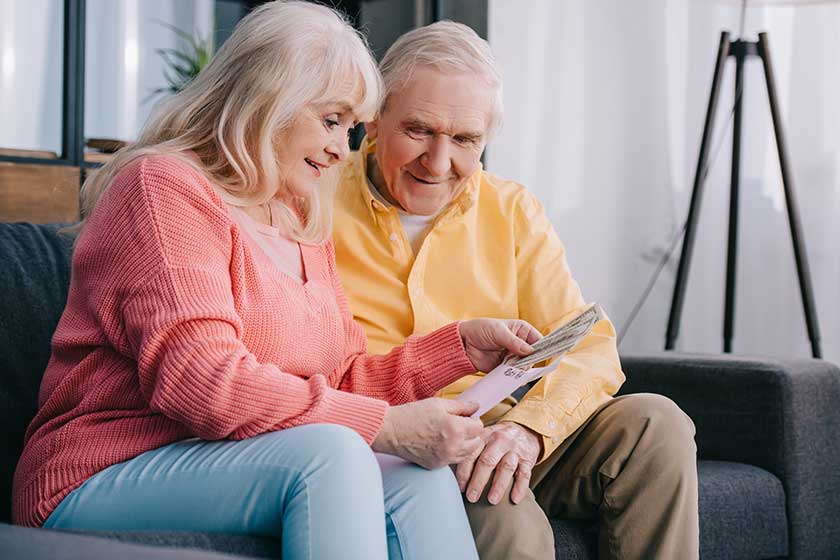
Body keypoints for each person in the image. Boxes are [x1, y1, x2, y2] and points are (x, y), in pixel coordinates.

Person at [11, 4, 543, 560]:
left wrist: (455, 349)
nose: (344, 147)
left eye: (352, 125)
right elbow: (206, 384)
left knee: (418, 474)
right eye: (331, 120)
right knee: (334, 454)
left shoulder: (299, 218)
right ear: (271, 101)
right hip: (102, 470)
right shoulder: (163, 189)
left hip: (234, 457)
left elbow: (339, 381)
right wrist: (386, 426)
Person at [333, 20, 700, 560]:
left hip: (504, 429)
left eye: (464, 140)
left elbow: (587, 345)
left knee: (657, 424)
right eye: (417, 130)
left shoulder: (511, 209)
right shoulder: (313, 200)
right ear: (374, 119)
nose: (438, 162)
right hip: (401, 441)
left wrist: (529, 430)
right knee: (502, 507)